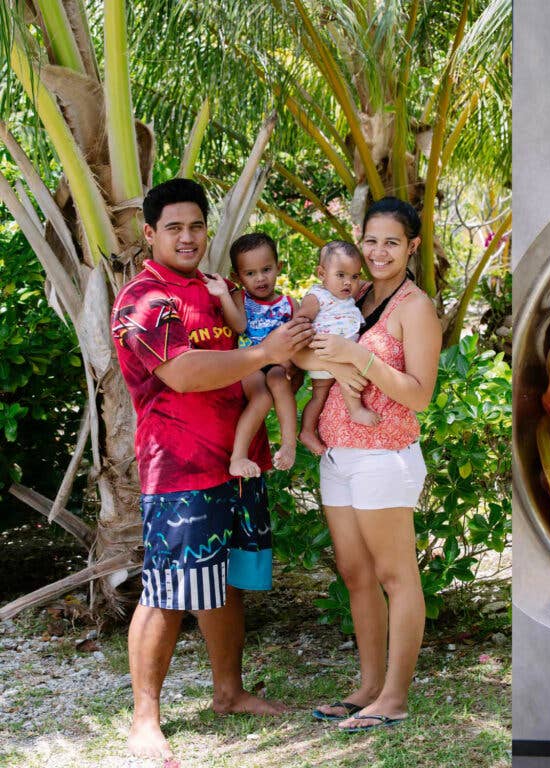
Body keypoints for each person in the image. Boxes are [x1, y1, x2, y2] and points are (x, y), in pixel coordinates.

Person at [110, 178, 314, 759]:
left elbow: (259, 351)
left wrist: (288, 362)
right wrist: (265, 353)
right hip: (179, 470)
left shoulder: (217, 289)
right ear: (149, 234)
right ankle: (145, 720)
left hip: (236, 462)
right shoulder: (145, 301)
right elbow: (186, 372)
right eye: (173, 228)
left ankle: (229, 692)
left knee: (223, 580)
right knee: (167, 590)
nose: (187, 237)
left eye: (197, 226)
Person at [305, 197, 442, 732]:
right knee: (356, 573)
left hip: (384, 454)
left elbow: (420, 393)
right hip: (338, 454)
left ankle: (395, 696)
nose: (379, 251)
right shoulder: (349, 293)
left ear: (411, 246)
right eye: (371, 241)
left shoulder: (415, 307)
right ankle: (366, 687)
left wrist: (358, 357)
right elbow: (309, 351)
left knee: (394, 575)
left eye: (391, 242)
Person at [207, 232, 300, 475]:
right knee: (262, 397)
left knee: (279, 382)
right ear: (237, 277)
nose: (260, 278)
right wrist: (224, 296)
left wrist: (294, 363)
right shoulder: (241, 297)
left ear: (278, 267)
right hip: (249, 362)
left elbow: (301, 336)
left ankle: (289, 444)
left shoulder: (289, 304)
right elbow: (238, 325)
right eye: (250, 273)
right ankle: (238, 457)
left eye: (266, 269)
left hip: (279, 363)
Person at [294, 240, 379, 458]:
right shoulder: (318, 296)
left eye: (354, 277)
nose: (348, 283)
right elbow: (301, 320)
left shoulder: (347, 298)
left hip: (337, 353)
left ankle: (306, 431)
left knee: (319, 396)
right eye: (340, 275)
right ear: (322, 273)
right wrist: (310, 338)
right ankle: (355, 411)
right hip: (324, 353)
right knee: (342, 381)